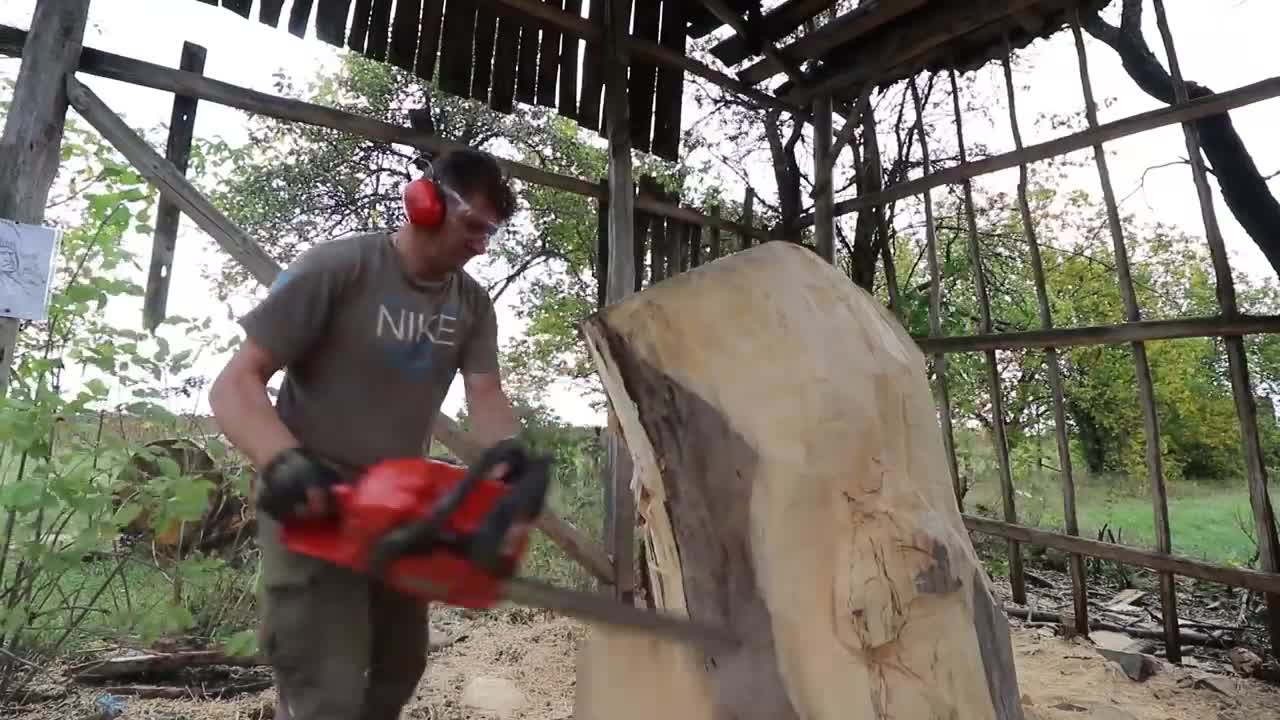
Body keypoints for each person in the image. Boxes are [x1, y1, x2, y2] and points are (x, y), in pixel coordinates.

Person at [209, 148, 522, 720]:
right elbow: (234, 385)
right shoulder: (338, 268)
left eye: (491, 234)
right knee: (323, 689)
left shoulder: (472, 305)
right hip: (313, 503)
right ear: (424, 203)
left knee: (400, 666)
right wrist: (284, 463)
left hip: (399, 509)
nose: (482, 245)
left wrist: (508, 456)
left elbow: (486, 394)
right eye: (473, 227)